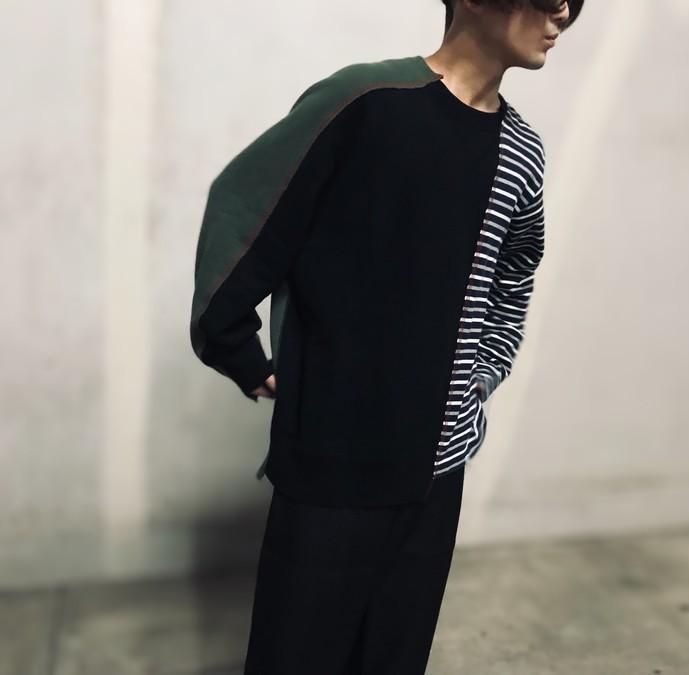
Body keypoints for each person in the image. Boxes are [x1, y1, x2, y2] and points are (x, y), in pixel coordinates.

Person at [190, 1, 583, 672]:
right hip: (332, 463)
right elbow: (245, 204)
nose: (564, 14)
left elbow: (515, 272)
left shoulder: (522, 152)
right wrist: (239, 351)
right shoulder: (366, 100)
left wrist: (481, 373)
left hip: (438, 471)